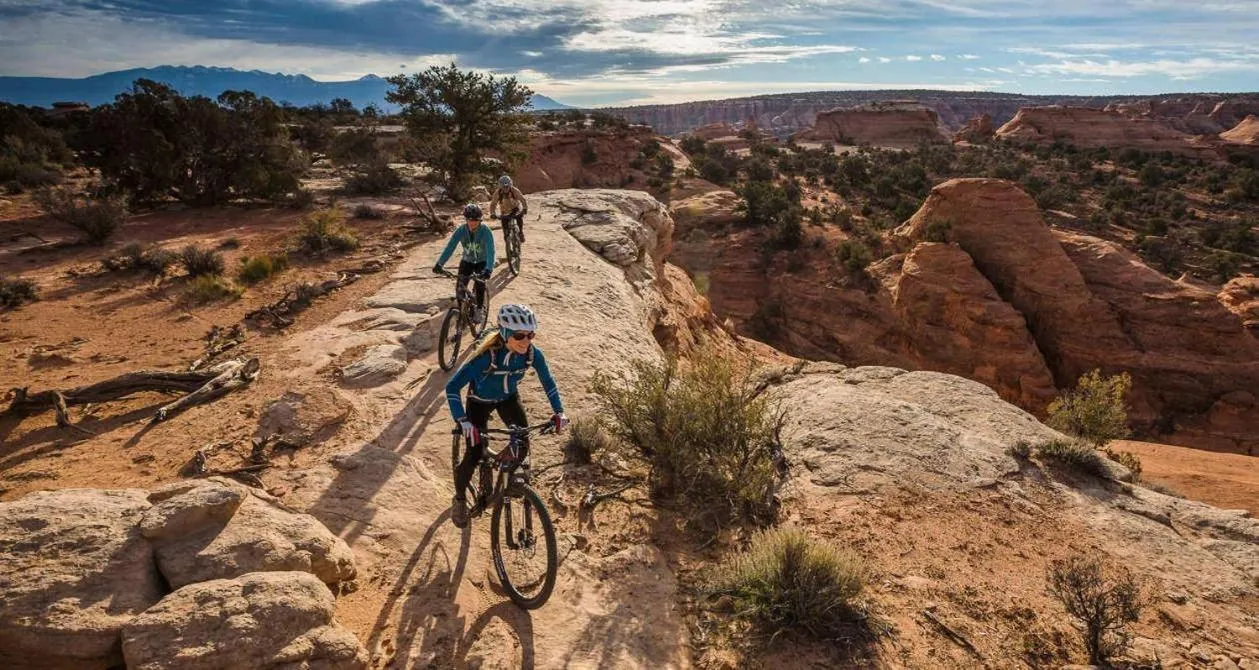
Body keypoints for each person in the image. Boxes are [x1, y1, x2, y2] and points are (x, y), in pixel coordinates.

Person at [444, 303, 567, 528]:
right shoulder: (485, 358)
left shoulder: (531, 354)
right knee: (473, 454)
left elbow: (548, 381)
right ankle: (460, 500)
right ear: (505, 333)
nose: (526, 340)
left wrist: (559, 412)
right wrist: (463, 421)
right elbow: (452, 388)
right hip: (479, 402)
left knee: (522, 442)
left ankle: (508, 479)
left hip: (508, 398)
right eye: (519, 335)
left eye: (530, 334)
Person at [433, 203, 495, 325]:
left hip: (482, 262)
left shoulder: (485, 231)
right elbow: (450, 247)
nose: (472, 223)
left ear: (480, 220)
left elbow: (490, 251)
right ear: (466, 219)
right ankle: (462, 313)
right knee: (460, 289)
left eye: (476, 220)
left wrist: (488, 269)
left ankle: (479, 309)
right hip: (467, 261)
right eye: (470, 220)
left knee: (480, 284)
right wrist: (440, 264)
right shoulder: (461, 231)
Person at [490, 175, 528, 243]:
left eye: (507, 186)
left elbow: (522, 199)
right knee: (505, 229)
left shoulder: (514, 190)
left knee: (519, 217)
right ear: (500, 186)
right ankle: (507, 240)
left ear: (510, 185)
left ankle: (521, 233)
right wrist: (493, 213)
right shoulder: (498, 193)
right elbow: (493, 204)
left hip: (515, 208)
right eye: (503, 187)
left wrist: (524, 208)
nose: (505, 188)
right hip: (504, 211)